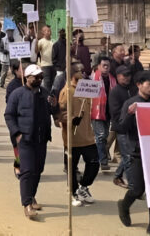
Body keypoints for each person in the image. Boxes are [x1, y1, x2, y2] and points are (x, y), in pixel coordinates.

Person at [4, 64, 59, 220]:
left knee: (38, 169)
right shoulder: (17, 94)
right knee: (27, 170)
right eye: (35, 77)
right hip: (25, 138)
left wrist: (55, 105)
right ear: (27, 78)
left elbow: (53, 111)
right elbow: (9, 115)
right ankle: (26, 204)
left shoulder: (45, 93)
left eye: (40, 77)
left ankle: (32, 196)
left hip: (41, 139)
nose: (39, 79)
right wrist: (17, 133)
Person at [116, 71, 150, 235]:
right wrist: (130, 114)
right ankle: (124, 205)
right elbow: (121, 128)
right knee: (137, 189)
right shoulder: (131, 103)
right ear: (139, 85)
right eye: (148, 84)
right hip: (135, 152)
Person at [60, 66, 99, 207]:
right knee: (71, 167)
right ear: (71, 74)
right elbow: (61, 114)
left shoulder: (86, 89)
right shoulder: (67, 91)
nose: (82, 74)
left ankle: (83, 187)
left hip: (88, 136)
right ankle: (73, 192)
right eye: (79, 71)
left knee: (94, 163)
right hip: (72, 137)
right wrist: (70, 120)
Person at [107, 65, 134, 189]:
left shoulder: (133, 89)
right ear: (118, 77)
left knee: (130, 155)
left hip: (133, 128)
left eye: (128, 75)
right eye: (124, 75)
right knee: (127, 156)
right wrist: (128, 114)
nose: (127, 78)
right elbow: (115, 113)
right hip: (122, 128)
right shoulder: (115, 92)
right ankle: (132, 184)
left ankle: (118, 175)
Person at [91, 56, 116, 171]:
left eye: (108, 66)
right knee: (100, 136)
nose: (106, 68)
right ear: (99, 66)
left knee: (105, 136)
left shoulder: (112, 79)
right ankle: (103, 160)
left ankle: (98, 156)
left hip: (108, 111)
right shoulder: (93, 78)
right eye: (104, 65)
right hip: (96, 111)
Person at [5, 60, 24, 178]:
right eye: (22, 69)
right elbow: (9, 103)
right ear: (16, 71)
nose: (24, 71)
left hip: (27, 119)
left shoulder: (28, 82)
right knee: (17, 145)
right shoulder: (12, 86)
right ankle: (18, 167)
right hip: (16, 119)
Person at [36, 25, 54, 91]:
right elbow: (37, 52)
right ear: (43, 32)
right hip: (45, 65)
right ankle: (46, 98)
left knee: (52, 83)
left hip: (53, 65)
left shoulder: (52, 41)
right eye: (47, 31)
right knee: (47, 83)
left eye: (50, 30)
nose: (49, 32)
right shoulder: (40, 41)